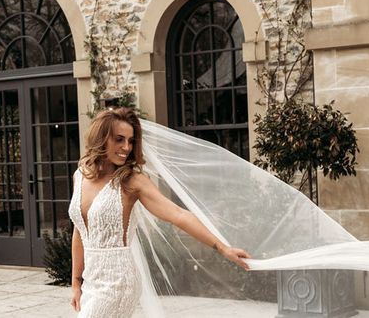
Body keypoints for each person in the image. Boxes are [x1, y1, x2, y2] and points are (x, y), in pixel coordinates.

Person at [68, 107, 251, 317]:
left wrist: (222, 247)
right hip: (92, 281)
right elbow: (80, 231)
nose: (126, 147)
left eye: (131, 141)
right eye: (119, 139)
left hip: (118, 281)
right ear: (101, 137)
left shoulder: (132, 181)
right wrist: (76, 282)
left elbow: (178, 214)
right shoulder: (80, 175)